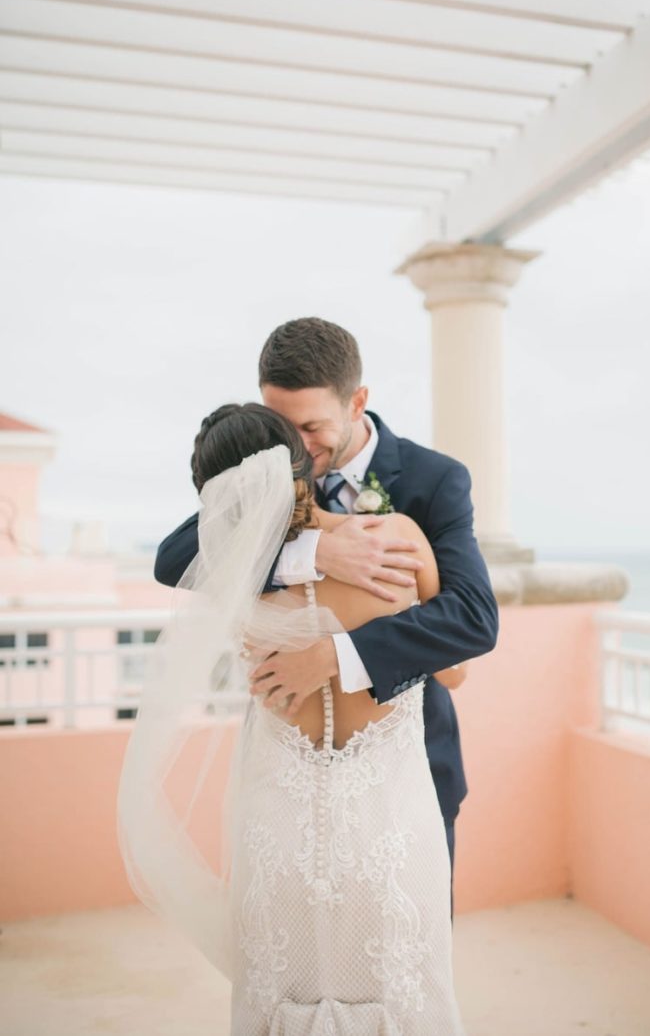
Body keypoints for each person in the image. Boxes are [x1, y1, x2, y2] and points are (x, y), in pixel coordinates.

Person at [121, 404, 469, 1033]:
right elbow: (455, 671)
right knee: (402, 990)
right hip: (389, 821)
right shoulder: (399, 539)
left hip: (276, 828)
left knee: (281, 991)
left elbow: (186, 561)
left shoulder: (233, 577)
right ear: (302, 464)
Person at [154, 317, 498, 890]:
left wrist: (336, 655)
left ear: (357, 400)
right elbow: (175, 558)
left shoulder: (433, 480)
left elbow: (472, 620)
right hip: (289, 772)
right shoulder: (269, 471)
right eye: (281, 424)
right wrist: (315, 554)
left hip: (406, 765)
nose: (294, 445)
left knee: (404, 945)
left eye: (310, 426)